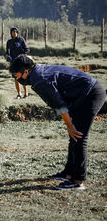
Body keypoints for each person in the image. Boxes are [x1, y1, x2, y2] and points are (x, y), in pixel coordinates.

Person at [9, 54, 106, 190]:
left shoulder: (39, 80)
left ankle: (78, 180)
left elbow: (59, 105)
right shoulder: (36, 71)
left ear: (26, 71)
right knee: (74, 136)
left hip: (91, 94)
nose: (16, 78)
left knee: (78, 135)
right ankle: (68, 173)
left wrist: (69, 125)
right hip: (81, 94)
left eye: (16, 75)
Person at [5, 27, 30, 99]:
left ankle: (26, 93)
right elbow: (7, 52)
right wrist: (7, 56)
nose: (14, 33)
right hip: (13, 62)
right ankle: (19, 94)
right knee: (16, 78)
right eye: (13, 32)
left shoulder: (21, 40)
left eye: (15, 32)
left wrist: (24, 55)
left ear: (17, 32)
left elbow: (27, 49)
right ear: (11, 33)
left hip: (21, 62)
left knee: (23, 77)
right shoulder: (9, 42)